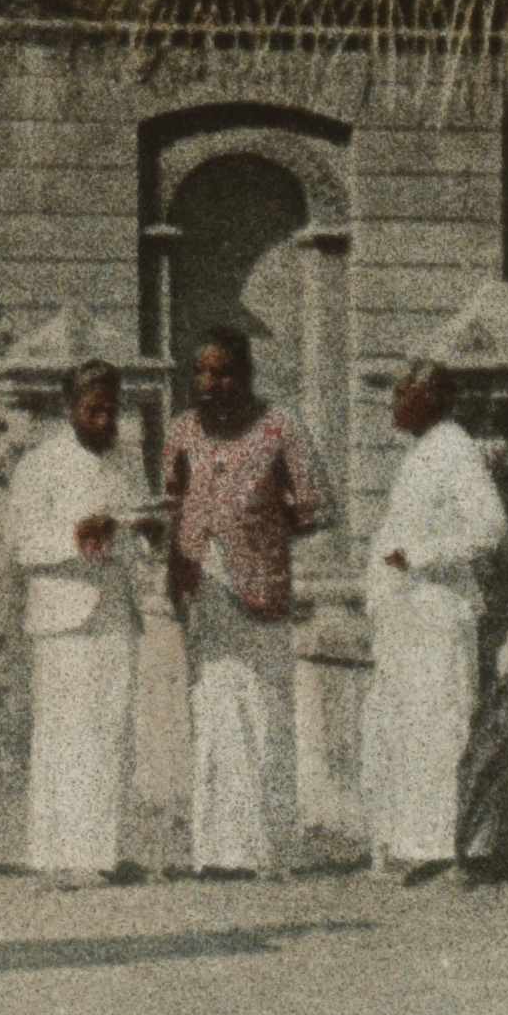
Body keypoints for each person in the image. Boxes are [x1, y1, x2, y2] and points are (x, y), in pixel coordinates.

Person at [159, 329, 334, 877]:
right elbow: (170, 499)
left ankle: (266, 853)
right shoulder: (182, 430)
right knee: (213, 716)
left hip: (259, 593)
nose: (210, 384)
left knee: (263, 715)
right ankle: (215, 853)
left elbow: (314, 508)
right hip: (200, 593)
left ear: (246, 374)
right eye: (201, 373)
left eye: (223, 372)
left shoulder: (282, 427)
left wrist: (255, 533)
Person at [362, 359, 508, 882]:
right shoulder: (422, 453)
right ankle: (420, 846)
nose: (394, 400)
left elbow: (491, 528)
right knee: (409, 729)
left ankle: (455, 851)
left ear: (433, 399)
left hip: (439, 610)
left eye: (406, 392)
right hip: (408, 615)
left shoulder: (454, 448)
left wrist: (422, 556)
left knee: (443, 727)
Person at [12, 359, 145, 883]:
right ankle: (58, 857)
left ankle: (104, 854)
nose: (104, 421)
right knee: (65, 735)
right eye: (93, 410)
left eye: (111, 410)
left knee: (112, 732)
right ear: (70, 410)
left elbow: (135, 532)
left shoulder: (127, 463)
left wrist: (138, 535)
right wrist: (75, 539)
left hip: (114, 611)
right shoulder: (39, 466)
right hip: (63, 618)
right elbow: (23, 546)